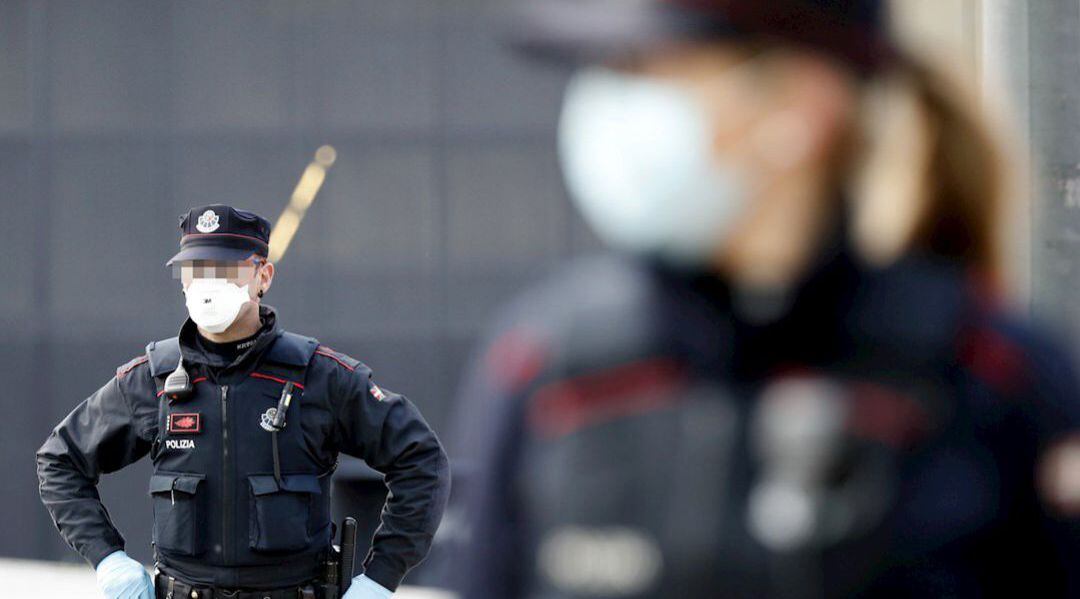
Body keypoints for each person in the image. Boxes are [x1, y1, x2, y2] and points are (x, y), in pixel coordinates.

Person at [452, 1, 1080, 597]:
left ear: (801, 105)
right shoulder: (548, 370)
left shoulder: (987, 380)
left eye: (649, 67)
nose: (613, 102)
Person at [37, 204, 451, 599]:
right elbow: (60, 460)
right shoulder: (153, 381)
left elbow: (422, 460)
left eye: (225, 269)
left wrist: (380, 578)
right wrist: (109, 560)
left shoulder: (320, 378)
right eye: (195, 270)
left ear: (263, 276)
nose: (207, 283)